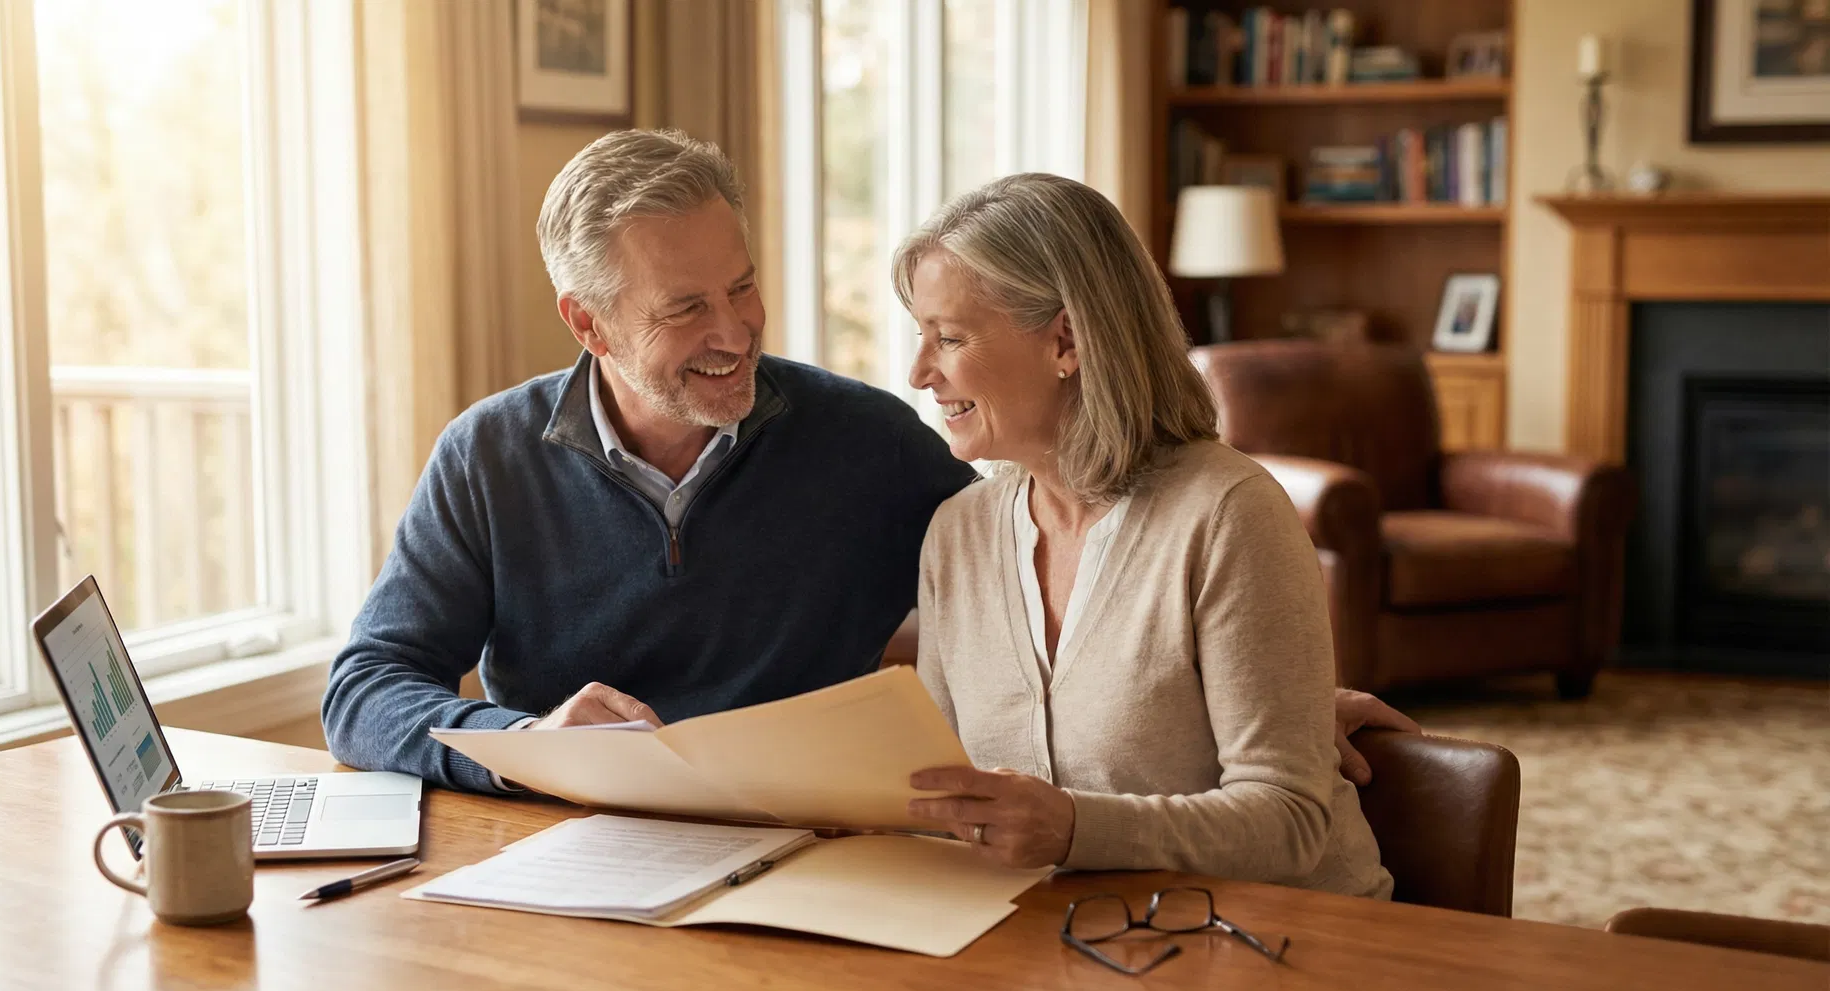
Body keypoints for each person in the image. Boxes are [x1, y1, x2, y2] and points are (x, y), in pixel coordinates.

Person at [321, 129, 1416, 796]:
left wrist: (1260, 702)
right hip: (567, 856)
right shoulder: (489, 457)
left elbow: (1065, 589)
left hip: (798, 853)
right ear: (588, 322)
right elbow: (366, 688)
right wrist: (526, 741)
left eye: (743, 285)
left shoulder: (867, 443)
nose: (736, 332)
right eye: (686, 308)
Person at [899, 173, 1392, 898]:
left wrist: (1075, 828)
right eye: (920, 337)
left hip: (1282, 932)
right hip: (1069, 936)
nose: (919, 373)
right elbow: (941, 795)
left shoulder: (1228, 513)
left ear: (1065, 340)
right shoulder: (958, 534)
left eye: (948, 338)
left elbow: (1291, 821)